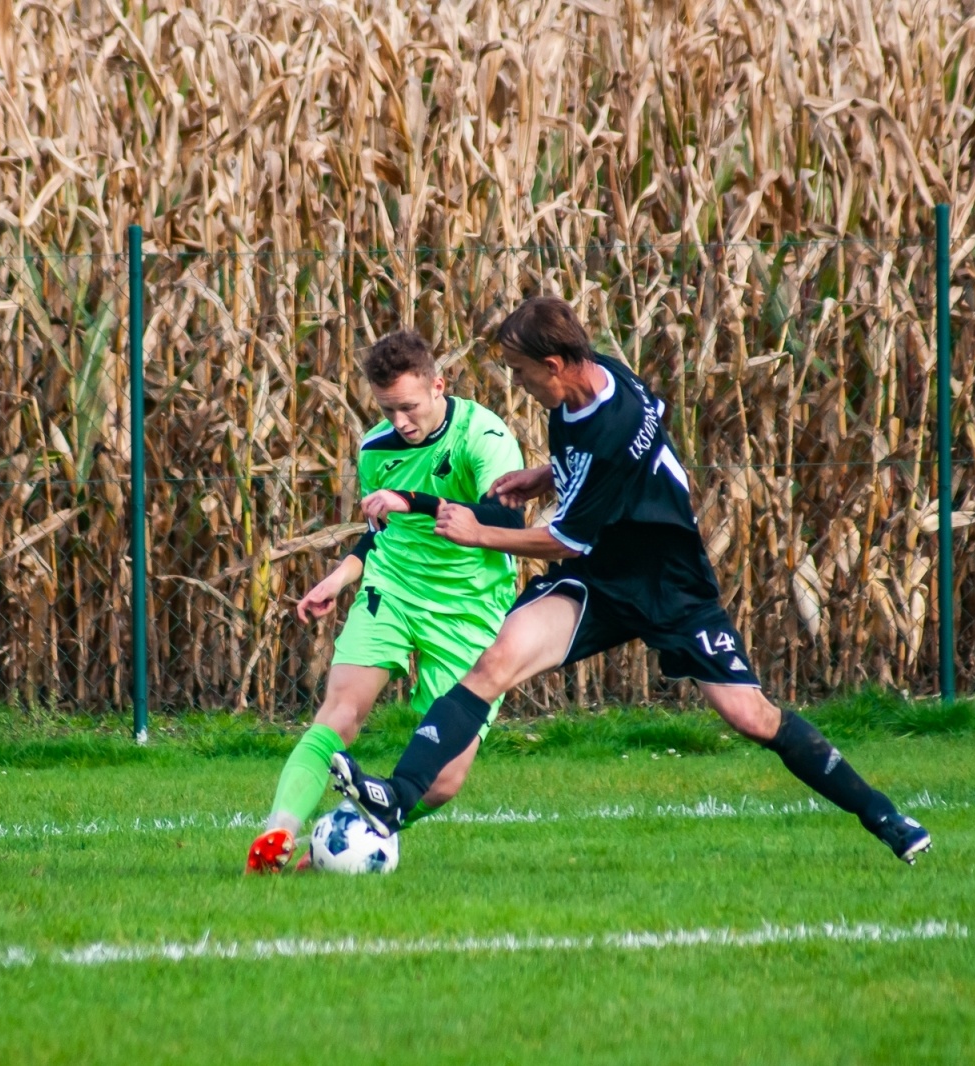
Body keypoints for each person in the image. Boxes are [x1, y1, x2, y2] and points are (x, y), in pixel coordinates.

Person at [330, 297, 932, 865]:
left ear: (554, 364)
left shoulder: (609, 427)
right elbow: (595, 478)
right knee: (495, 662)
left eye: (519, 371)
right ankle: (397, 796)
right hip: (598, 581)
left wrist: (480, 533)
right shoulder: (591, 381)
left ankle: (884, 816)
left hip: (668, 586)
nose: (516, 384)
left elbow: (565, 538)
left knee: (752, 717)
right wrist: (542, 476)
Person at [245, 330, 525, 871]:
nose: (399, 422)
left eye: (409, 407)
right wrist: (340, 577)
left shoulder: (483, 436)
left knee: (445, 779)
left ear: (438, 385)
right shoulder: (377, 447)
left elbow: (507, 520)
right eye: (387, 409)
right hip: (391, 592)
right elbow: (379, 533)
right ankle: (278, 832)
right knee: (340, 714)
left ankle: (335, 847)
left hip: (471, 609)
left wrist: (413, 501)